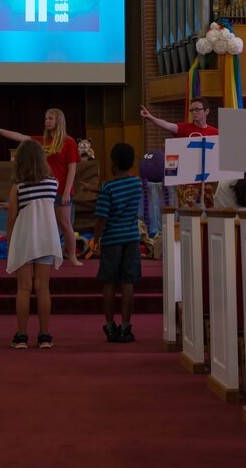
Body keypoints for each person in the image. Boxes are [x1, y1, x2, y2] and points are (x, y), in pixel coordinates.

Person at [0, 108, 83, 266]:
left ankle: (72, 257)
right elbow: (21, 137)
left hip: (60, 190)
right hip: (42, 190)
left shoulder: (68, 142)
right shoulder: (41, 140)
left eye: (50, 119)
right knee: (43, 224)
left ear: (59, 121)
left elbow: (72, 169)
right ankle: (43, 255)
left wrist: (66, 192)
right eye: (45, 119)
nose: (47, 122)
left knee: (64, 224)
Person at [6, 139, 63, 349]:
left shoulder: (19, 187)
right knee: (43, 288)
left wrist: (10, 240)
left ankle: (21, 336)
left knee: (23, 288)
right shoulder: (53, 183)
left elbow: (12, 216)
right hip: (46, 238)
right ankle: (45, 336)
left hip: (25, 238)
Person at [92, 143, 143, 343]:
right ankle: (125, 326)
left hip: (112, 240)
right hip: (131, 239)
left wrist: (96, 239)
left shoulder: (108, 187)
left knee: (110, 283)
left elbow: (101, 218)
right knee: (128, 283)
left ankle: (109, 325)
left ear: (113, 163)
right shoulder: (137, 183)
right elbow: (119, 191)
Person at [139, 97, 218, 137]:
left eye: (197, 109)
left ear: (206, 111)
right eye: (192, 110)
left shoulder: (216, 133)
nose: (194, 112)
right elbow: (166, 124)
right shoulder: (184, 128)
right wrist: (151, 118)